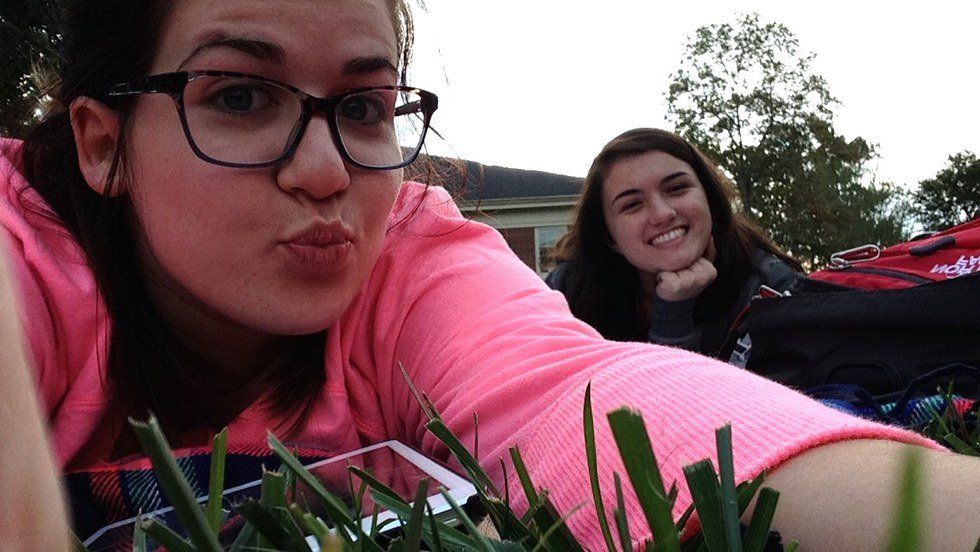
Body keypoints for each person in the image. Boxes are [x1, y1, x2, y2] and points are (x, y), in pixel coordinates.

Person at [0, 1, 977, 550]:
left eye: (364, 108)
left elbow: (575, 392)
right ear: (103, 142)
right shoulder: (24, 250)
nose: (326, 171)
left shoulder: (407, 262)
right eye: (242, 97)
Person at [547, 128, 803, 357]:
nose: (662, 214)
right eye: (632, 204)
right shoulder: (563, 299)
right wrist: (673, 314)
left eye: (677, 188)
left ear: (709, 198)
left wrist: (674, 315)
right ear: (608, 237)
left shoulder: (773, 292)